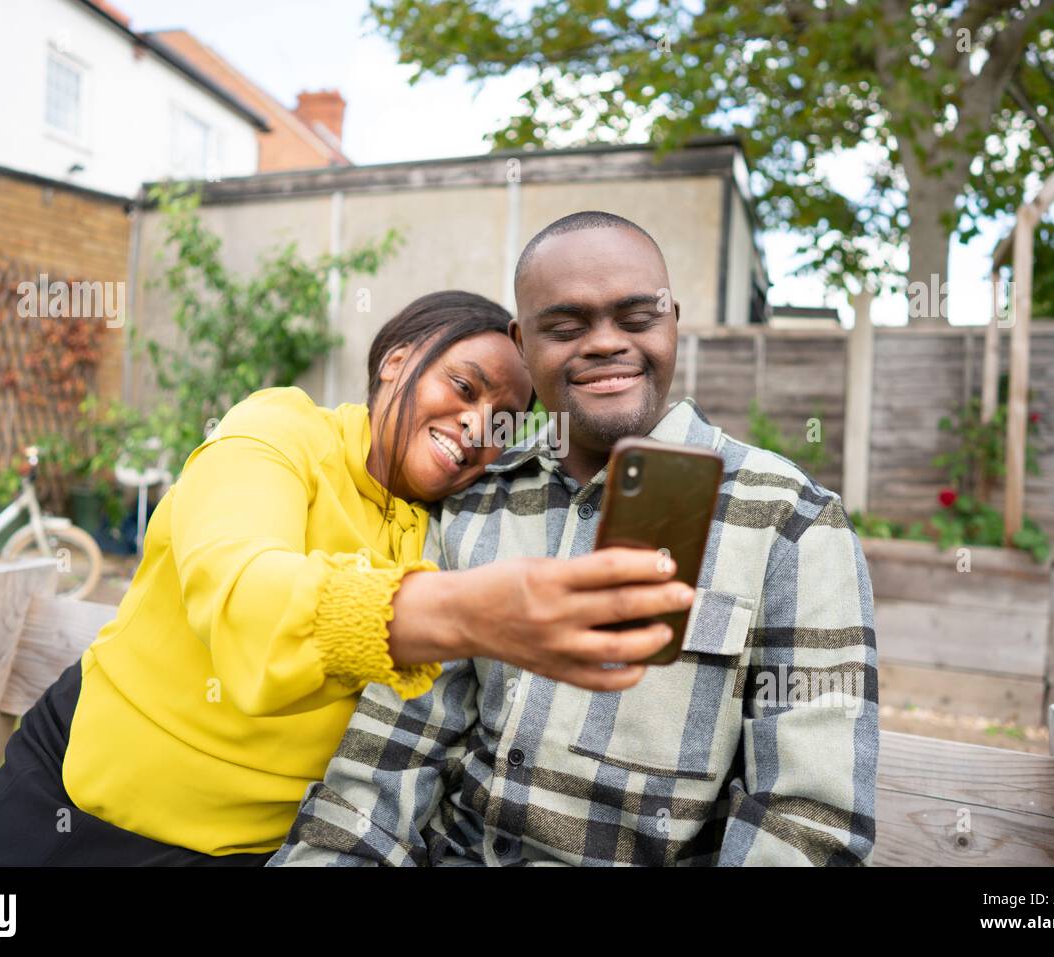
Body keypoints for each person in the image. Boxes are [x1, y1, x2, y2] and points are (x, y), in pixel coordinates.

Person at [0, 289, 693, 866]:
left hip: (252, 853)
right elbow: (242, 590)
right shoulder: (278, 433)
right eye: (464, 387)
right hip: (66, 801)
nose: (476, 427)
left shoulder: (456, 527)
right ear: (397, 361)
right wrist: (458, 611)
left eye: (503, 419)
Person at [270, 212, 880, 867]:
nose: (604, 344)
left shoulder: (790, 519)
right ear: (522, 342)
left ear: (673, 318)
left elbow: (810, 821)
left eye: (637, 317)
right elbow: (392, 753)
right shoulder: (475, 501)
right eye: (565, 327)